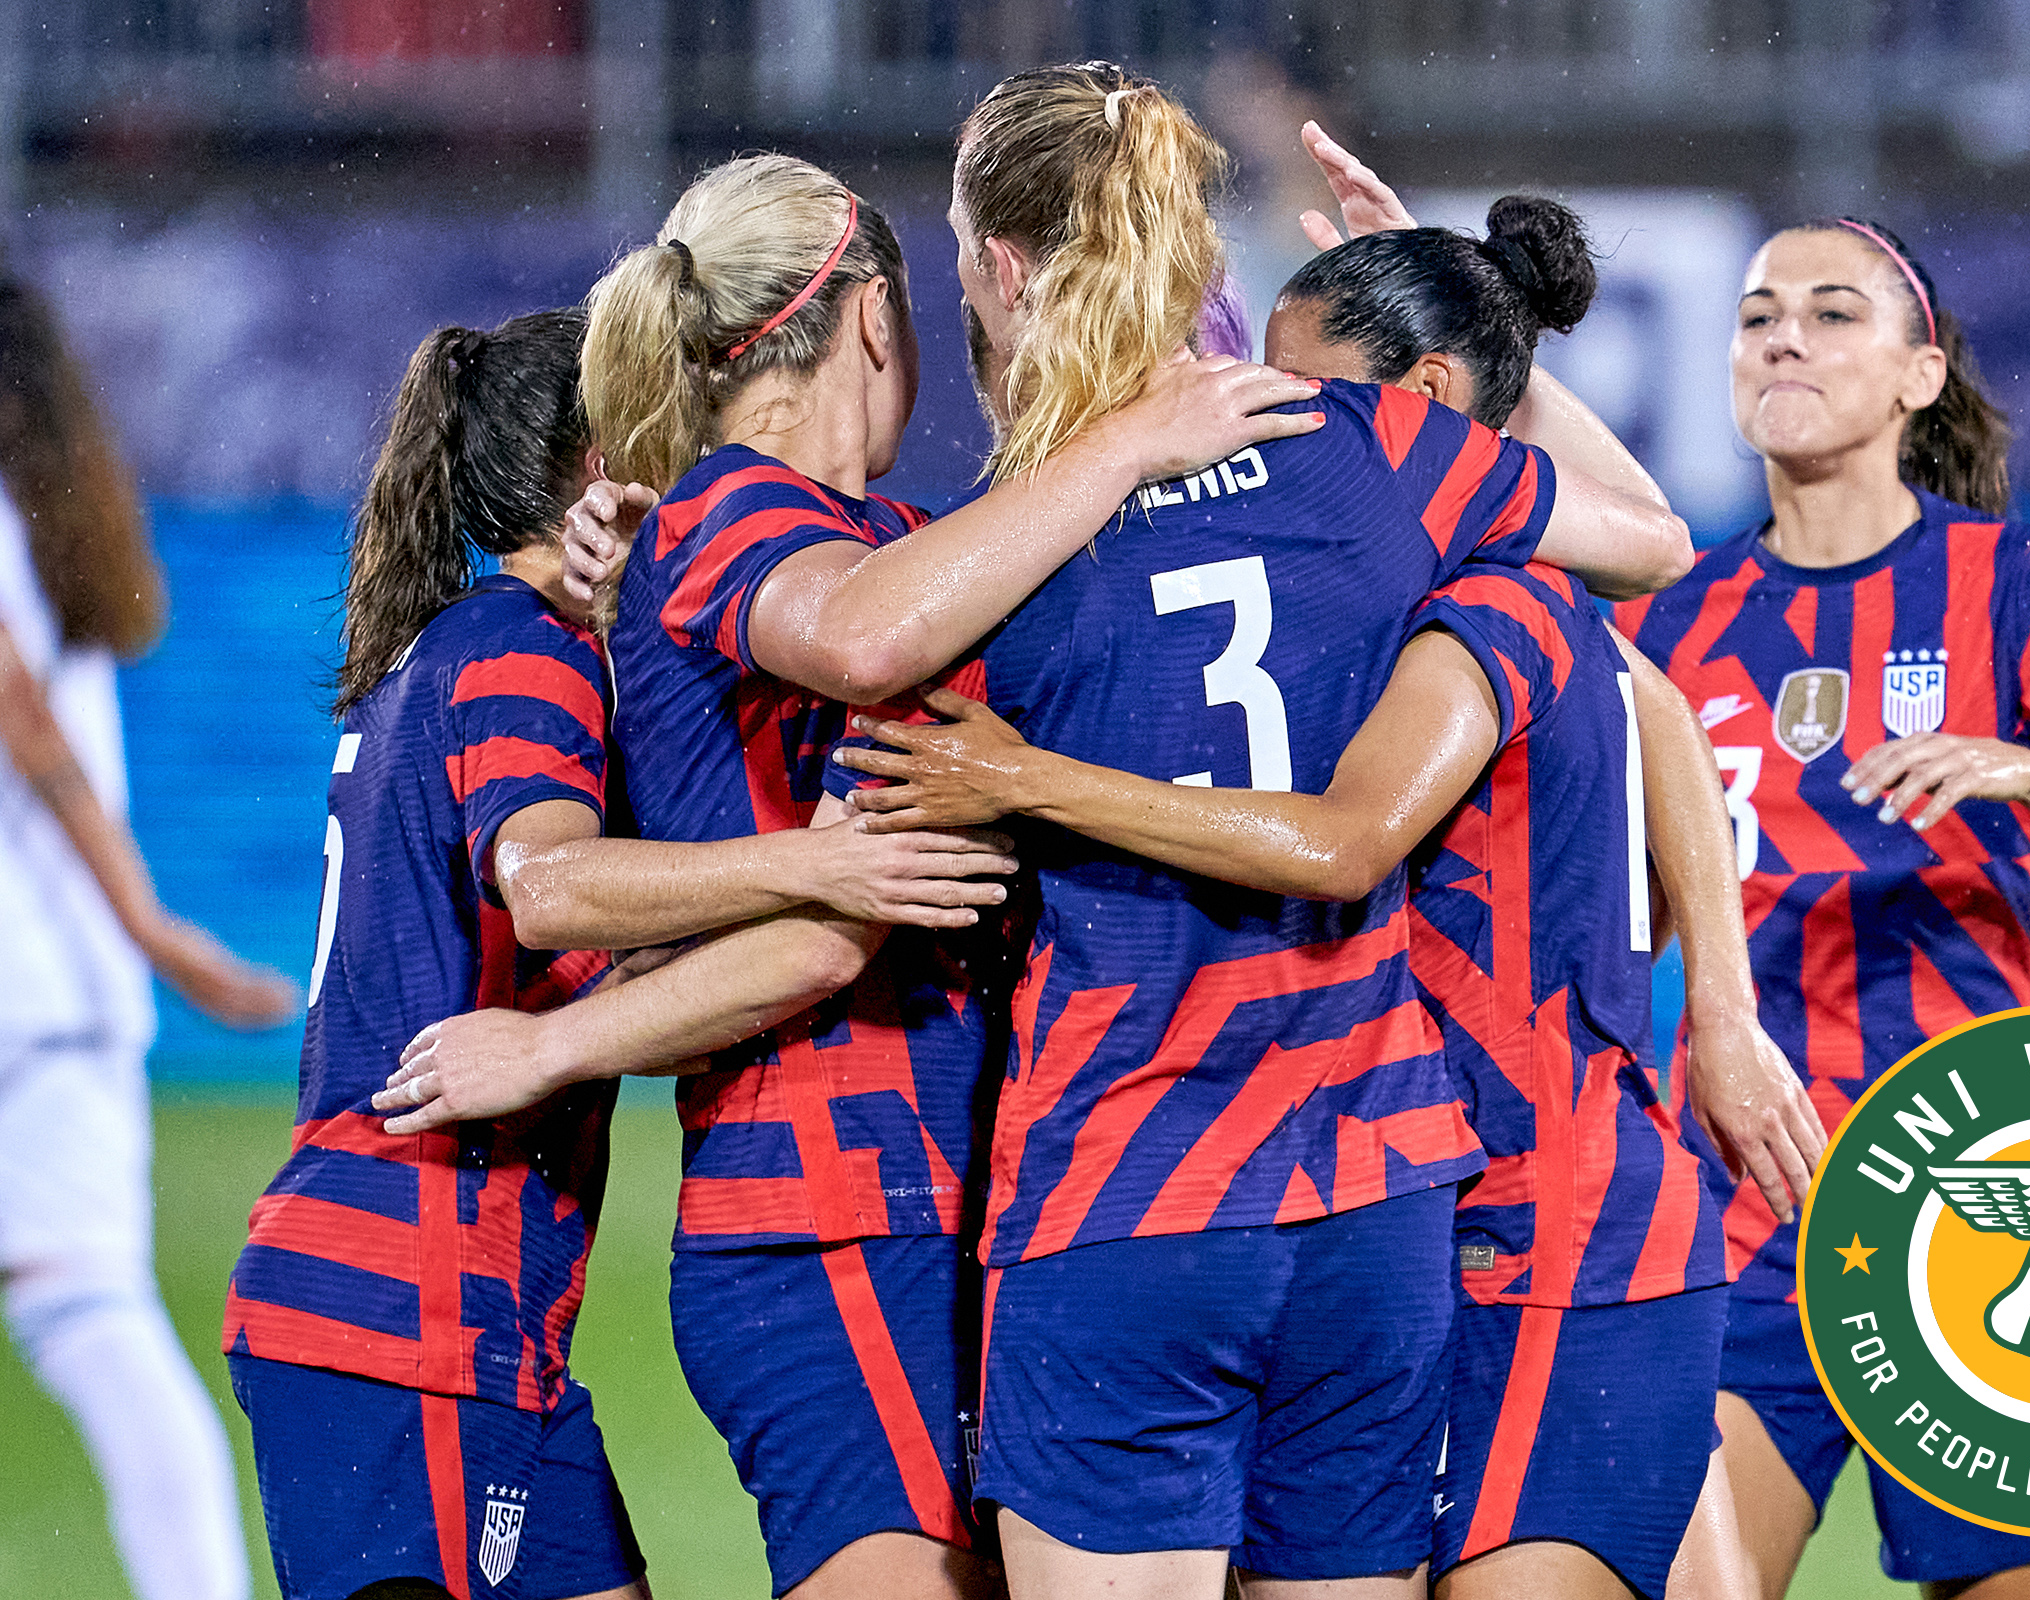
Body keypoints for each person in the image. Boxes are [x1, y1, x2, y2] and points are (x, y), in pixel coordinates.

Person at [829, 173, 1819, 1600]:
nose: (1268, 425)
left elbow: (1364, 828)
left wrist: (1719, 1011)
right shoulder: (1435, 585)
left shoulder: (1493, 602)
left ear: (1413, 404)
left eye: (1309, 395)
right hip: (1435, 1204)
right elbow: (1654, 675)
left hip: (1551, 1222)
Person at [380, 152, 1325, 1600]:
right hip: (832, 1210)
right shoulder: (737, 519)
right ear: (875, 319)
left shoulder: (855, 539)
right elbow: (839, 886)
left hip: (934, 1206)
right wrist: (1128, 442)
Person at [224, 307, 1014, 1600]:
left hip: (484, 1315)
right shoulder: (520, 655)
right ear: (605, 458)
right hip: (404, 1296)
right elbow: (548, 888)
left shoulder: (481, 655)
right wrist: (814, 867)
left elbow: (629, 959)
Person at [1612, 218, 2030, 1600]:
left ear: (1918, 376)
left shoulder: (2022, 582)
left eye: (1835, 313)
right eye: (1761, 310)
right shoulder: (1674, 619)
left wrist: (2026, 767)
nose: (1784, 333)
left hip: (1984, 1208)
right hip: (1745, 1199)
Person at [0, 256, 290, 1600]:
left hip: (33, 978)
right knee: (97, 1321)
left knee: (94, 1322)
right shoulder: (52, 517)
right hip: (60, 991)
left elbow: (26, 724)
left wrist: (154, 926)